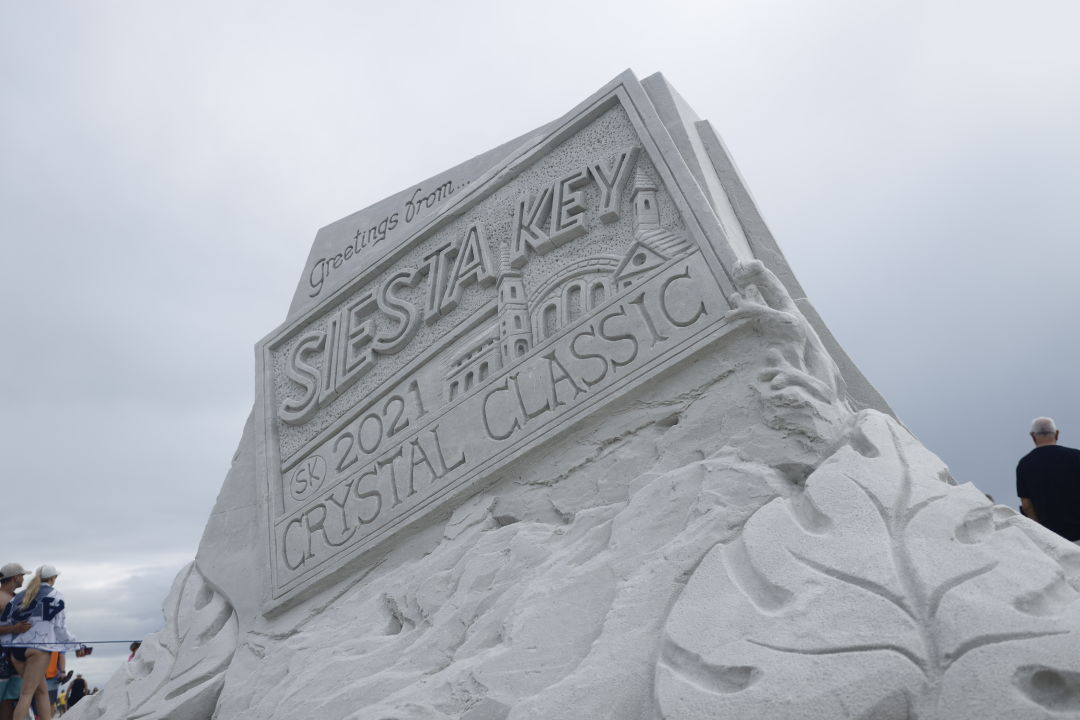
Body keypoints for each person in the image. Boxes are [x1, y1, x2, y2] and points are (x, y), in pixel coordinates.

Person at [0, 565, 89, 720]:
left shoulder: (19, 596)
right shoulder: (56, 595)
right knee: (26, 694)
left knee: (41, 691)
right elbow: (60, 630)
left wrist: (8, 647)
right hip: (38, 650)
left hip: (16, 650)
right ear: (53, 578)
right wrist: (77, 645)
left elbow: (5, 622)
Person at [1017, 417, 1080, 543]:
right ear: (1057, 434)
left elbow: (1027, 506)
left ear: (1033, 436)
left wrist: (1041, 531)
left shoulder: (1025, 464)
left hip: (1053, 540)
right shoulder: (1076, 456)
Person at [0, 564, 33, 720]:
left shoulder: (17, 598)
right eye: (22, 575)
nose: (23, 578)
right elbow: (15, 627)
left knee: (10, 697)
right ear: (15, 577)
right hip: (2, 654)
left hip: (16, 654)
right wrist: (15, 628)